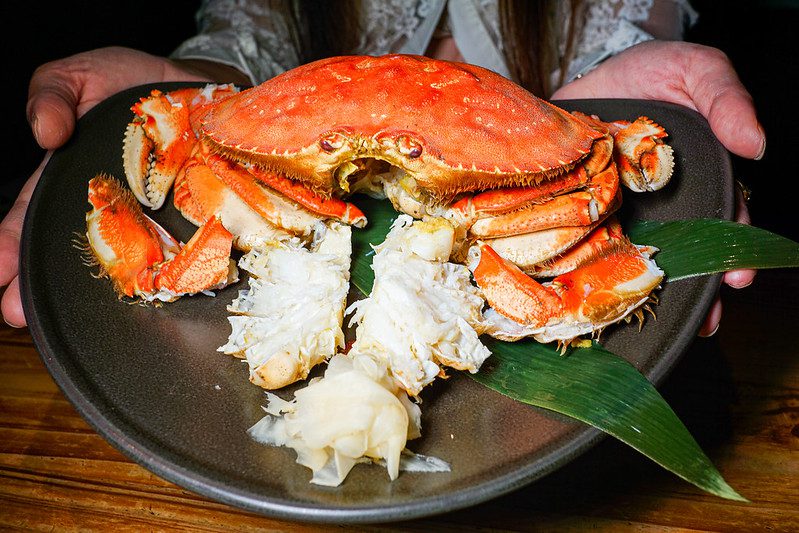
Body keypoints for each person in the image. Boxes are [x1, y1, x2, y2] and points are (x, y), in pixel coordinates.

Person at [1, 0, 758, 335]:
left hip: (512, 193)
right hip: (268, 154)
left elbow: (618, 156)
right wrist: (178, 80)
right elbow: (237, 48)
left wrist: (623, 82)